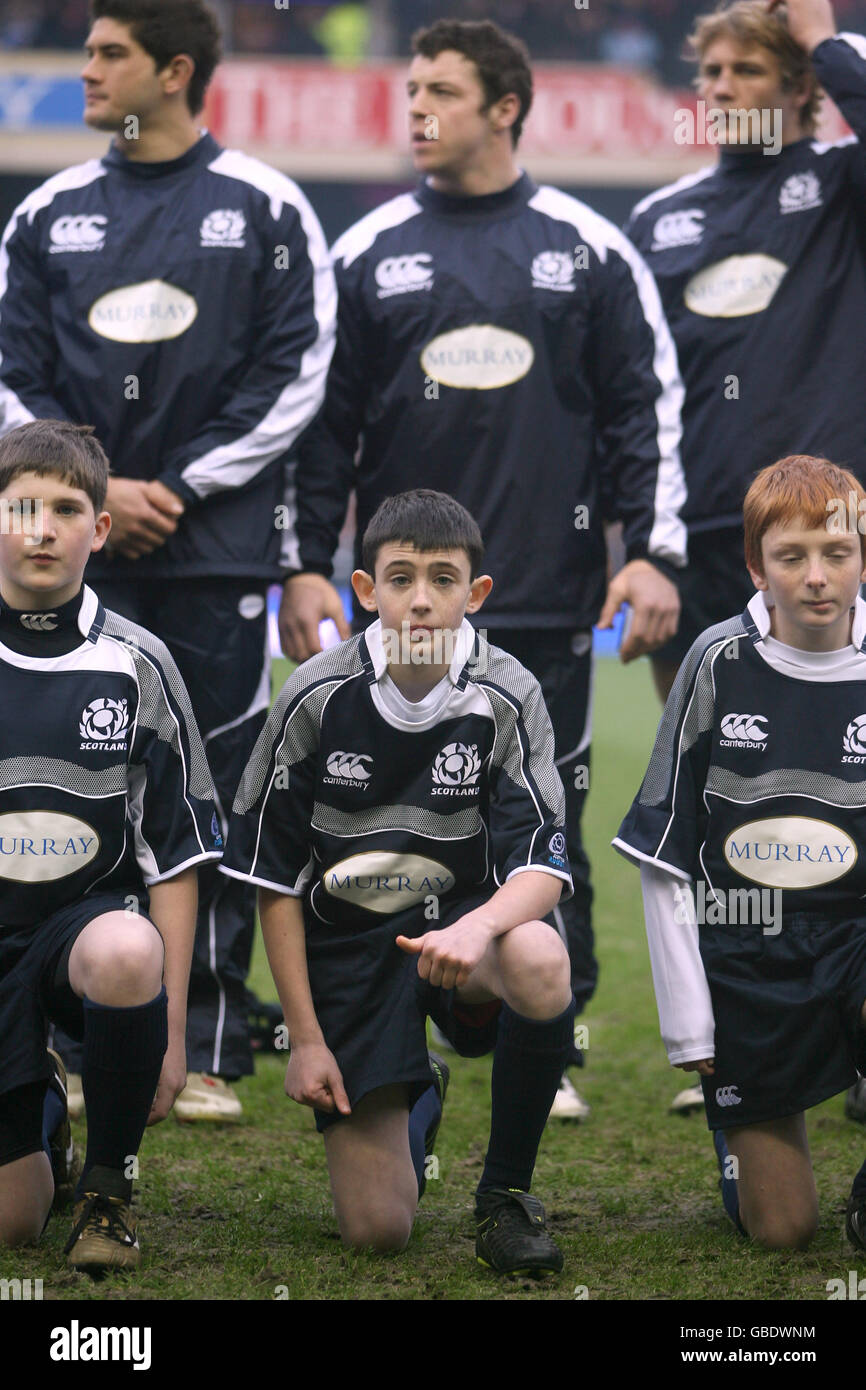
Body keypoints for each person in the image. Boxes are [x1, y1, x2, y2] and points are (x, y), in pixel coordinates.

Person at [279, 17, 688, 1120]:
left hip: (548, 597)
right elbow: (321, 434)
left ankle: (540, 1034)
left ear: (504, 107)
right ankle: (378, 1033)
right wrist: (306, 565)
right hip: (395, 608)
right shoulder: (362, 253)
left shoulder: (585, 248)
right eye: (409, 89)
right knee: (379, 817)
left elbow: (640, 416)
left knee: (540, 815)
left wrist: (648, 553)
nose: (414, 108)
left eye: (440, 91)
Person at [0, 0, 337, 1119]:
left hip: (209, 555)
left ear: (174, 70)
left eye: (109, 54)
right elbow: (13, 374)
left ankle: (200, 1044)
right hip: (68, 555)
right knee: (66, 784)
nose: (85, 70)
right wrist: (98, 495)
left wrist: (179, 489)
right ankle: (58, 1024)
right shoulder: (50, 213)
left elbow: (295, 374)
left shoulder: (265, 205)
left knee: (209, 796)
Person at [222, 490, 575, 1273]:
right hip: (347, 947)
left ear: (475, 593)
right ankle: (415, 1088)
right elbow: (272, 881)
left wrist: (476, 928)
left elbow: (543, 866)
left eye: (444, 578)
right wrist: (304, 1039)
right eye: (402, 576)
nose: (421, 598)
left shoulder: (508, 692)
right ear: (365, 590)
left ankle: (505, 1198)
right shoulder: (314, 695)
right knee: (379, 1231)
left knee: (541, 959)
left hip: (459, 937)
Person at [614, 454, 866, 1250]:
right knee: (782, 1233)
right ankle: (746, 1138)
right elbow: (662, 852)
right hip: (746, 944)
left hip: (855, 933)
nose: (816, 577)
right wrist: (692, 1028)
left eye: (838, 553)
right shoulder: (716, 662)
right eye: (792, 557)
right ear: (757, 566)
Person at [0, 419, 220, 1272]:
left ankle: (108, 1193)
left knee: (131, 947)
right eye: (23, 508)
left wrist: (168, 1028)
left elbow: (177, 853)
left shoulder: (137, 663)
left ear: (100, 530)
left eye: (66, 509)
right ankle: (44, 1110)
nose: (44, 528)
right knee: (14, 1224)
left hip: (77, 933)